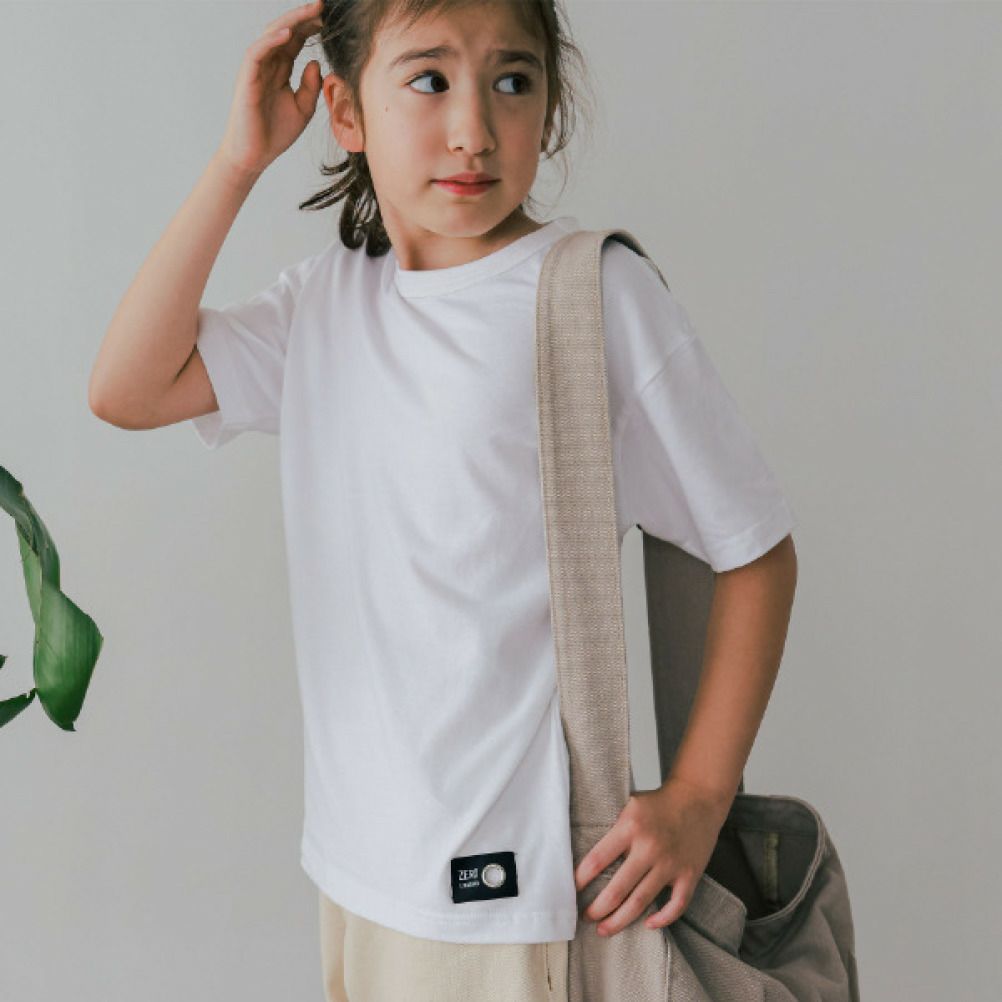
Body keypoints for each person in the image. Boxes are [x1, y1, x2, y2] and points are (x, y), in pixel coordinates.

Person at [88, 1, 800, 999]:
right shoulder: (325, 304)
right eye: (428, 80)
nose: (474, 128)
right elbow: (126, 388)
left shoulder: (591, 298)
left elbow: (756, 551)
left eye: (513, 81)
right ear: (345, 110)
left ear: (550, 104)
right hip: (359, 873)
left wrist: (698, 797)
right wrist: (237, 164)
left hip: (510, 899)